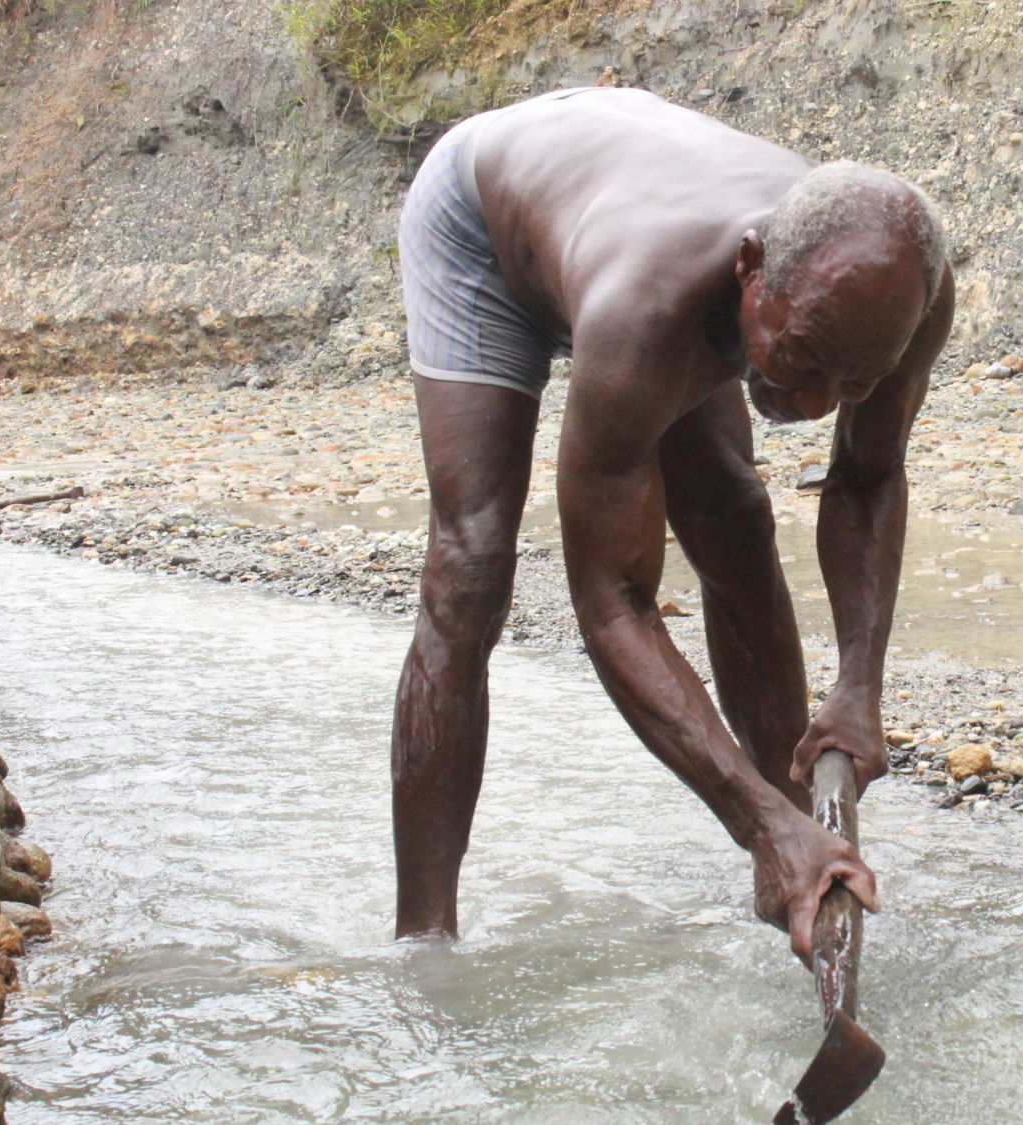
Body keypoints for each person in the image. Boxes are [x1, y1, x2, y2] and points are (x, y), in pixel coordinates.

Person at [390, 86, 954, 961]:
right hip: (484, 229)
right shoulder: (646, 313)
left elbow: (869, 475)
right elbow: (612, 604)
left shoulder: (903, 295)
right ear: (751, 268)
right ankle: (422, 946)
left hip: (634, 214)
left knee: (735, 517)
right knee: (472, 565)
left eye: (849, 383)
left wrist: (858, 688)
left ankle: (808, 875)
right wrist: (759, 824)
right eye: (799, 358)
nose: (805, 409)